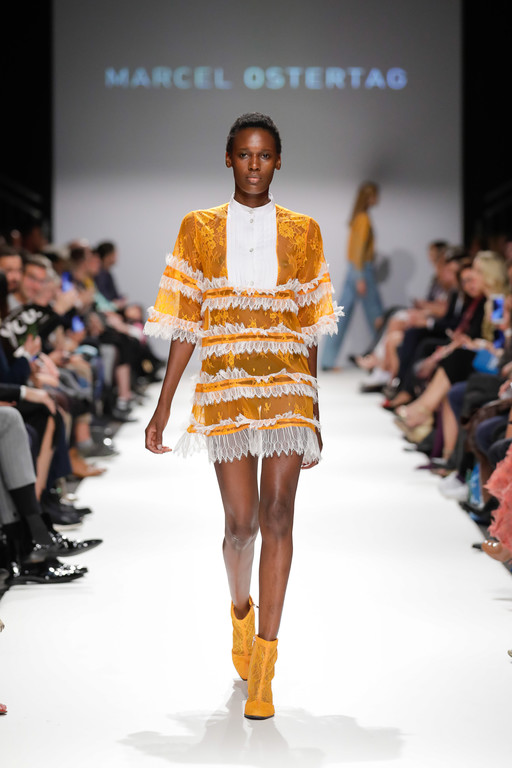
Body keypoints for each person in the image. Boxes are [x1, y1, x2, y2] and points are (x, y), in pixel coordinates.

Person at [144, 113, 341, 720]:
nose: (255, 165)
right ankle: (240, 612)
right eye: (245, 155)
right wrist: (163, 405)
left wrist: (312, 407)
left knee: (279, 514)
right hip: (226, 385)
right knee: (240, 525)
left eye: (265, 155)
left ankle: (264, 664)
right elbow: (185, 321)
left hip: (286, 384)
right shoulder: (197, 228)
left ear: (279, 161)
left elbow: (310, 324)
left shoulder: (304, 230)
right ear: (227, 158)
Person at [321, 180, 383, 370]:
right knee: (376, 315)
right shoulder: (363, 219)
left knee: (342, 316)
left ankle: (327, 361)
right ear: (369, 197)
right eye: (375, 195)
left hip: (355, 269)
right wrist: (360, 276)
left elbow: (354, 249)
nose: (378, 199)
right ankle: (383, 360)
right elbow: (357, 250)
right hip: (361, 269)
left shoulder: (358, 218)